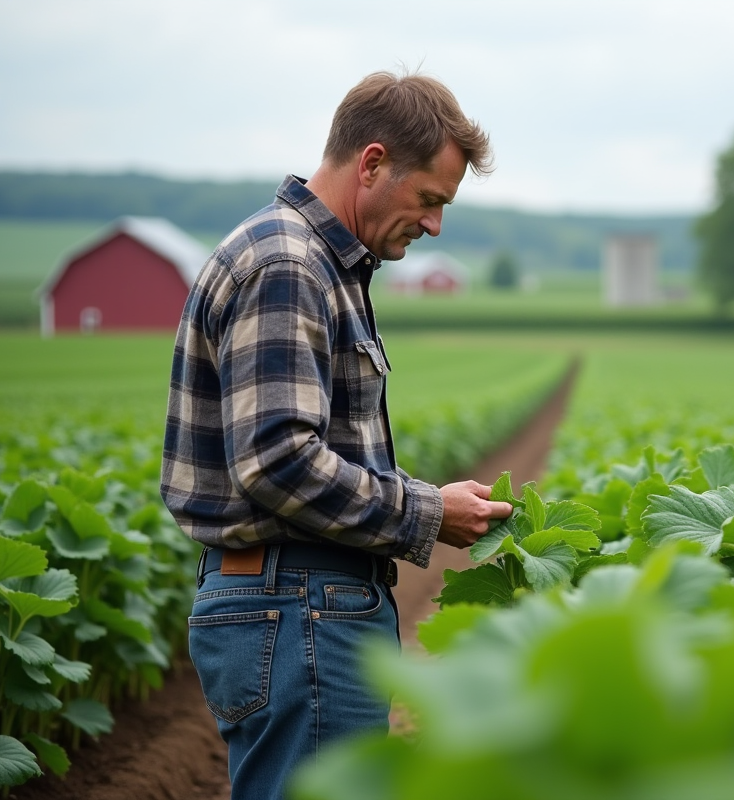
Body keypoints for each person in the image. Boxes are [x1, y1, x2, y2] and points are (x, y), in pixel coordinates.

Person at [159, 71, 513, 800]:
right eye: (430, 199)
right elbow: (278, 462)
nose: (435, 226)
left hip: (295, 604)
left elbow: (308, 451)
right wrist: (429, 511)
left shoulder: (316, 262)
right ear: (373, 163)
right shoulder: (289, 265)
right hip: (300, 607)